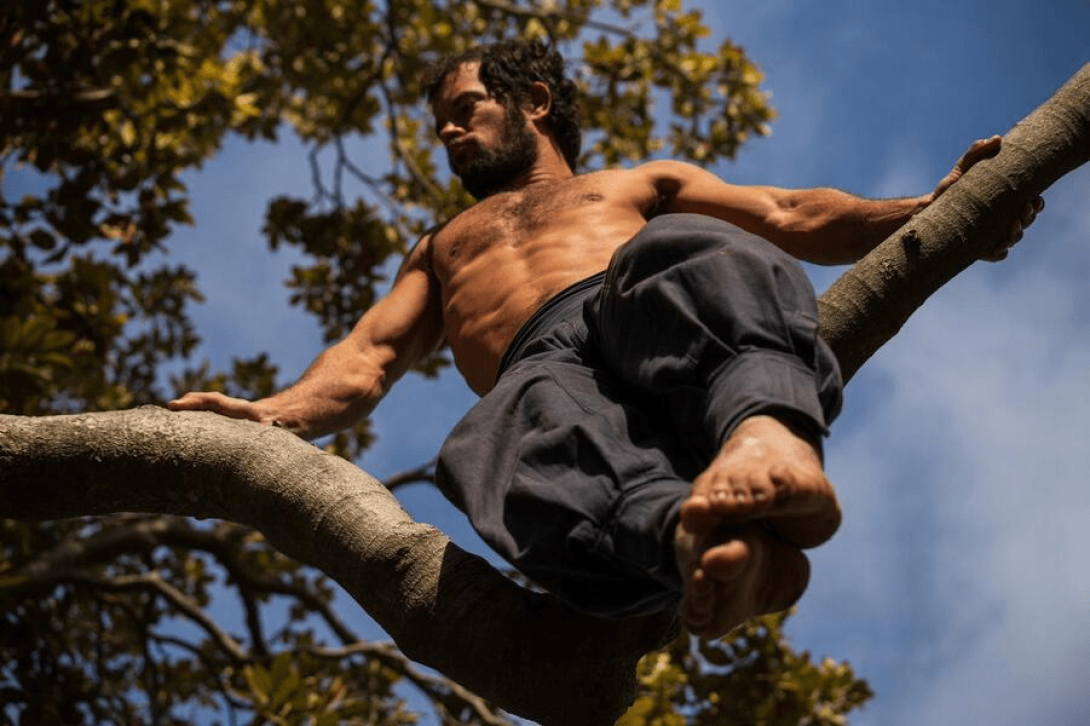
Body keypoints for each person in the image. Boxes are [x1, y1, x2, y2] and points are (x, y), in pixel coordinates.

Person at [170, 39, 1041, 639]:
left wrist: (930, 212)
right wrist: (273, 416)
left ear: (534, 103)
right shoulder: (440, 247)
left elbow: (789, 215)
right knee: (486, 443)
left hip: (651, 321)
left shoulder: (635, 182)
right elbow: (371, 358)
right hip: (545, 385)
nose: (446, 129)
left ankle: (767, 438)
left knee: (682, 251)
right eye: (442, 118)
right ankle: (705, 550)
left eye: (464, 108)